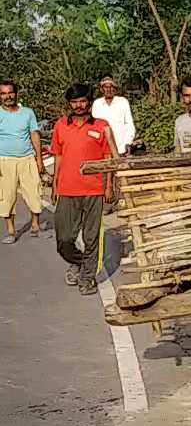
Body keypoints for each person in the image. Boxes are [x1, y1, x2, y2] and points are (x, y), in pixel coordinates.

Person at [51, 84, 116, 295]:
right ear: (69, 104)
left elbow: (109, 158)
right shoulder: (60, 125)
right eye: (74, 102)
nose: (78, 106)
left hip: (94, 189)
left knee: (91, 237)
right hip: (67, 189)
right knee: (64, 239)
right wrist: (54, 184)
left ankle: (87, 278)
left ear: (89, 102)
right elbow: (58, 156)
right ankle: (77, 262)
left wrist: (109, 186)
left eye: (82, 101)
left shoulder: (101, 126)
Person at [1, 79, 48, 244]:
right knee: (7, 196)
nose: (8, 96)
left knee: (34, 192)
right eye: (4, 94)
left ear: (16, 93)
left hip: (27, 158)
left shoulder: (27, 113)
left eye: (10, 93)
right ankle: (11, 231)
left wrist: (39, 159)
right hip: (5, 160)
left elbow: (34, 134)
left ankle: (36, 226)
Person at [91, 75, 137, 155]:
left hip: (122, 148)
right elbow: (94, 127)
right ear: (101, 89)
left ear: (114, 89)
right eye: (105, 87)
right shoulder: (97, 104)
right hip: (103, 149)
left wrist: (128, 142)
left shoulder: (123, 102)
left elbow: (129, 124)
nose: (108, 90)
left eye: (111, 87)